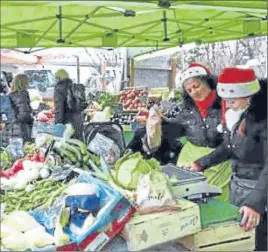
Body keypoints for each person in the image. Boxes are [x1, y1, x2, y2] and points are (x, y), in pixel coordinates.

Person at [191, 67, 267, 251]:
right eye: (225, 101)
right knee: (238, 240)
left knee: (258, 242)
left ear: (249, 95)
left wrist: (255, 204)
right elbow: (229, 147)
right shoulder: (236, 115)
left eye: (232, 101)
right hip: (238, 186)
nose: (228, 105)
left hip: (260, 191)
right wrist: (201, 163)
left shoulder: (263, 120)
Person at [140, 63, 232, 201]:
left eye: (196, 86)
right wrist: (159, 122)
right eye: (189, 90)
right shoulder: (187, 109)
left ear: (208, 82)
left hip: (218, 160)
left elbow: (232, 143)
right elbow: (177, 129)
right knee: (186, 197)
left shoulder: (227, 105)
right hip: (189, 159)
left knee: (215, 198)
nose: (194, 92)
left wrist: (202, 163)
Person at [54, 69, 86, 140]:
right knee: (77, 145)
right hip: (78, 122)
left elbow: (59, 110)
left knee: (66, 146)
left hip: (67, 124)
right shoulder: (73, 86)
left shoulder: (59, 89)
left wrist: (58, 126)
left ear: (58, 78)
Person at [2, 74, 33, 146]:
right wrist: (31, 118)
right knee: (21, 152)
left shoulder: (9, 95)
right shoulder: (22, 94)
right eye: (27, 82)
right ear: (23, 83)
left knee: (10, 153)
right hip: (19, 129)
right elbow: (24, 115)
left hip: (8, 129)